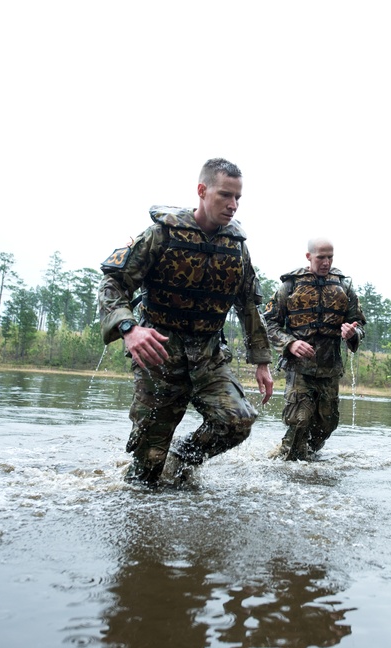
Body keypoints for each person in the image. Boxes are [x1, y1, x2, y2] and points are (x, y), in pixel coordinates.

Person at [97, 158, 273, 487]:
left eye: (238, 198)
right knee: (147, 468)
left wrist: (262, 362)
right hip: (159, 353)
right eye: (225, 195)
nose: (233, 205)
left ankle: (180, 461)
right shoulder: (160, 235)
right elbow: (113, 284)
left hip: (208, 354)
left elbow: (249, 305)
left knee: (238, 420)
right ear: (202, 191)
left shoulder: (236, 248)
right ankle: (146, 487)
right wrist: (129, 328)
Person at [263, 237, 366, 460]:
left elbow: (359, 326)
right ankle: (289, 464)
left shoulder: (345, 287)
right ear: (309, 257)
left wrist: (351, 334)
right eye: (321, 257)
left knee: (327, 423)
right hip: (299, 368)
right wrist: (290, 343)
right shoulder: (290, 286)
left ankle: (302, 457)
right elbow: (268, 323)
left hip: (330, 368)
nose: (326, 262)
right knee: (300, 420)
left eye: (330, 257)